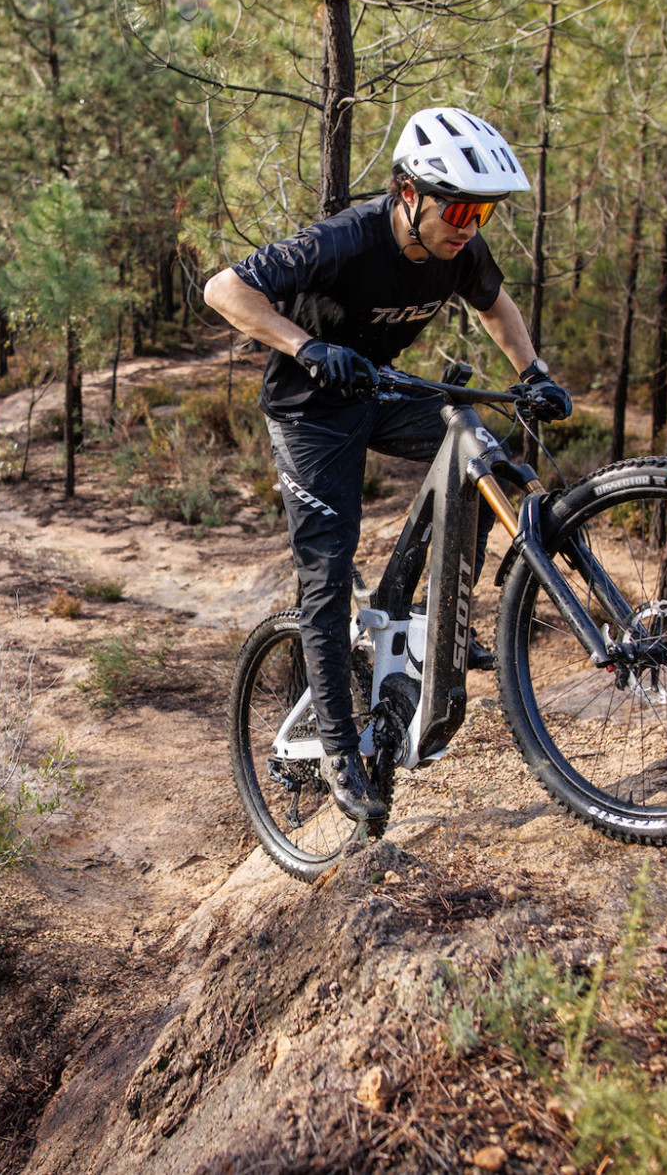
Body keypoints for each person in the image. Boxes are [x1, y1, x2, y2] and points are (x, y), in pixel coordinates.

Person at [204, 105, 572, 824]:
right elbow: (225, 288)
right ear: (410, 192)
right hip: (309, 410)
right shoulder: (346, 239)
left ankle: (442, 621)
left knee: (480, 451)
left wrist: (533, 372)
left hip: (376, 391)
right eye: (458, 207)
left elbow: (496, 305)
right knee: (328, 569)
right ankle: (340, 748)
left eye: (482, 212)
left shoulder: (458, 250)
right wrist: (305, 346)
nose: (468, 224)